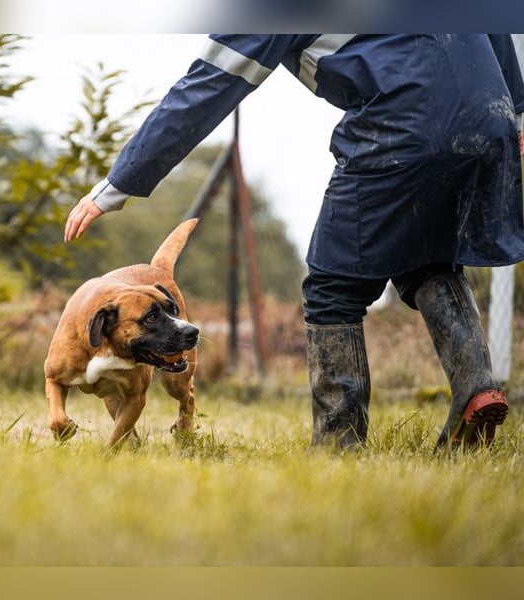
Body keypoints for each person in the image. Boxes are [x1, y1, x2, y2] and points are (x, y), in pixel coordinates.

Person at [64, 34, 524, 451]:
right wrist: (516, 112)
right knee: (428, 258)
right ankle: (475, 386)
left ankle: (337, 444)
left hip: (404, 121)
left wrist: (117, 185)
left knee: (332, 289)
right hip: (490, 115)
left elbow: (209, 84)